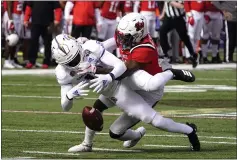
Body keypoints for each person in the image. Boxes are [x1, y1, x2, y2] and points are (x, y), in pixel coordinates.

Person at [51, 13, 200, 153]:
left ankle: (187, 124)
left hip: (126, 84)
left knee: (154, 113)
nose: (78, 62)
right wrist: (69, 96)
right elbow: (65, 106)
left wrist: (104, 74)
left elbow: (123, 67)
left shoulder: (95, 48)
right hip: (111, 86)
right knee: (99, 113)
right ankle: (88, 144)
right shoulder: (64, 72)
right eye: (71, 61)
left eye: (78, 56)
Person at [159, 1, 199, 68]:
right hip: (168, 18)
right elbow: (166, 4)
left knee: (184, 37)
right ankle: (166, 53)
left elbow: (182, 6)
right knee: (162, 32)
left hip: (178, 18)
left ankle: (193, 55)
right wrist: (162, 14)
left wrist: (172, 2)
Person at [23, 1, 62, 69]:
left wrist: (57, 20)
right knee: (33, 42)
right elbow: (29, 7)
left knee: (47, 43)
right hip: (35, 23)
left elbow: (58, 8)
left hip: (48, 23)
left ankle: (46, 62)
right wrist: (26, 19)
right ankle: (31, 61)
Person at [2, 1, 24, 69]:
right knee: (10, 38)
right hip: (11, 15)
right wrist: (10, 20)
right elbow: (9, 4)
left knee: (16, 39)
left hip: (18, 15)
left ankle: (12, 60)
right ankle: (6, 61)